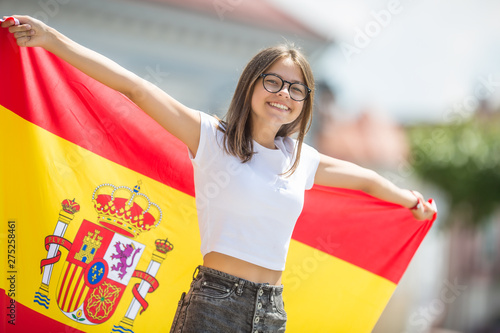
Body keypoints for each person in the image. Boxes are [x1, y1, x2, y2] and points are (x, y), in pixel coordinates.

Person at [2, 15, 436, 333]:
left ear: (305, 102)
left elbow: (364, 179)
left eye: (296, 88)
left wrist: (409, 200)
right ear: (250, 85)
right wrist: (52, 39)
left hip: (272, 312)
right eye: (273, 82)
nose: (284, 94)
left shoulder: (301, 159)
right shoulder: (211, 138)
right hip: (214, 303)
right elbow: (135, 88)